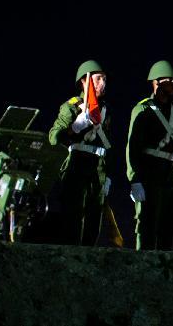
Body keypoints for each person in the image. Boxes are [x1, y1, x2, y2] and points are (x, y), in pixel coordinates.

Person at [126, 60, 173, 250]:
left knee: (167, 227)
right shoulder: (143, 110)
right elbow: (132, 147)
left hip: (169, 174)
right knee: (146, 226)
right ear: (156, 82)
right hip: (148, 173)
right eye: (169, 80)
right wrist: (135, 179)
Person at [48, 60, 113, 246]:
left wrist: (108, 174)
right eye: (98, 79)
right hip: (77, 164)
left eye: (105, 79)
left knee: (94, 221)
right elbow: (53, 137)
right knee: (73, 218)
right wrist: (75, 127)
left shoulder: (106, 110)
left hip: (98, 167)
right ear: (84, 81)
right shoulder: (72, 106)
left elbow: (109, 144)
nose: (103, 83)